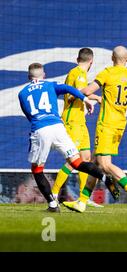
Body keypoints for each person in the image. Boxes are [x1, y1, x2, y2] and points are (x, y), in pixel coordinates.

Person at [63, 45, 127, 214]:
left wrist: (69, 91)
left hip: (106, 124)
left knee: (104, 163)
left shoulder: (107, 72)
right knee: (94, 163)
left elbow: (87, 90)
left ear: (112, 59)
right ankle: (82, 202)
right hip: (120, 125)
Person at [18, 63, 119, 212]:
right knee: (77, 162)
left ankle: (53, 204)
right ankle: (105, 178)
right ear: (43, 75)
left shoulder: (22, 93)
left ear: (29, 77)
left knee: (37, 170)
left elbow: (29, 115)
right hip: (58, 127)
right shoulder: (50, 85)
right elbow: (69, 89)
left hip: (40, 129)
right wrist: (84, 100)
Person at [51, 48, 103, 207]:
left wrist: (92, 98)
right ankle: (53, 193)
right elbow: (79, 93)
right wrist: (94, 97)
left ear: (77, 58)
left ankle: (83, 199)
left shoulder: (75, 72)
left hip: (80, 121)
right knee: (73, 160)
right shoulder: (79, 73)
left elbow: (78, 93)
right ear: (91, 62)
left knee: (86, 158)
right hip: (72, 121)